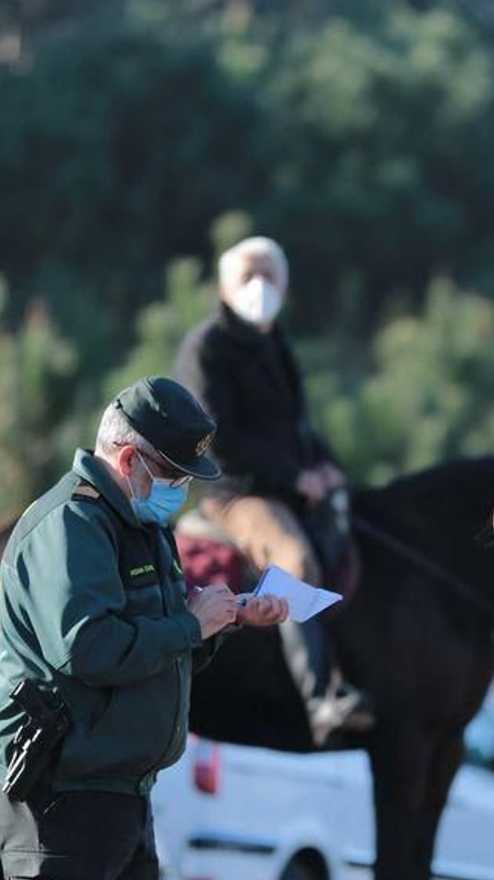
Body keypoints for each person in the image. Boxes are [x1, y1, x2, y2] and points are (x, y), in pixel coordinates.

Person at [0, 377, 287, 880]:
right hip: (60, 789)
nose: (180, 489)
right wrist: (187, 623)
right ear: (128, 461)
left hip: (120, 788)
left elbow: (158, 652)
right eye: (172, 473)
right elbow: (86, 647)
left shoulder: (142, 526)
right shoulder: (72, 524)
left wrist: (223, 622)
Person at [173, 236, 369, 747]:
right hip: (235, 495)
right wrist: (293, 478)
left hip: (289, 488)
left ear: (284, 285)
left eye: (269, 275)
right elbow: (214, 436)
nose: (259, 286)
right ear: (223, 285)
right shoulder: (206, 347)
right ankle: (319, 698)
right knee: (295, 562)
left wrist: (327, 468)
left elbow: (296, 427)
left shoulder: (275, 342)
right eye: (247, 275)